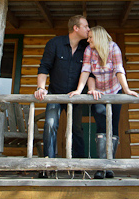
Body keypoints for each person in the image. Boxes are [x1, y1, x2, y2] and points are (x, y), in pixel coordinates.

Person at [68, 25, 138, 178]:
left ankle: (109, 166)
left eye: (90, 37)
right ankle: (101, 166)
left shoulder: (114, 48)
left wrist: (126, 90)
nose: (88, 40)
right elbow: (86, 71)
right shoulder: (88, 50)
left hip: (115, 91)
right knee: (101, 123)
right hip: (98, 93)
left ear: (98, 37)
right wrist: (80, 90)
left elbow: (119, 70)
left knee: (113, 125)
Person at [35, 15, 91, 173]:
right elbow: (44, 67)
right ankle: (49, 165)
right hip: (55, 93)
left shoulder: (86, 49)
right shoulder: (55, 44)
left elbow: (90, 72)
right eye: (86, 26)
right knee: (50, 125)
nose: (88, 29)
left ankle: (80, 166)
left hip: (76, 96)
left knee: (77, 129)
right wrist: (40, 88)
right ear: (76, 28)